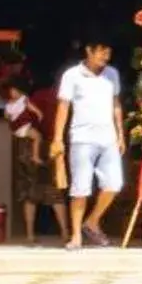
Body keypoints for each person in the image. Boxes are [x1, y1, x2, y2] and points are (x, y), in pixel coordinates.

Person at [51, 39, 126, 249]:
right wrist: (58, 138)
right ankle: (76, 235)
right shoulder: (72, 75)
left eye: (108, 51)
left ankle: (92, 221)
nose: (105, 56)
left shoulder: (112, 74)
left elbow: (116, 104)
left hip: (108, 138)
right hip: (82, 138)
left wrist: (121, 134)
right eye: (101, 51)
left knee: (114, 184)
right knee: (80, 188)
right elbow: (63, 107)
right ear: (89, 51)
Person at [0, 79, 53, 244]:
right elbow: (31, 112)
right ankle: (31, 234)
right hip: (24, 134)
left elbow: (7, 117)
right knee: (38, 137)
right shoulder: (21, 102)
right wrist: (39, 115)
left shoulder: (14, 103)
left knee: (34, 193)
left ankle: (32, 234)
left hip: (19, 134)